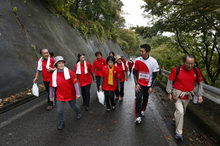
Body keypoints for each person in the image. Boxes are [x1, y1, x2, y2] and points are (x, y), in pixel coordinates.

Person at [166, 54, 203, 140]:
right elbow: (170, 82)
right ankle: (179, 133)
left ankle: (175, 119)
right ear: (183, 62)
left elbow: (199, 83)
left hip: (188, 96)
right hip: (177, 94)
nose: (190, 66)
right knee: (181, 112)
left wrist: (200, 95)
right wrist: (169, 93)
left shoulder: (196, 71)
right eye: (188, 63)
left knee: (182, 111)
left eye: (192, 63)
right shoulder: (177, 70)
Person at [49, 56, 81, 130]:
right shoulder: (54, 74)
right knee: (59, 110)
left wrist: (78, 93)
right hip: (60, 95)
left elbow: (75, 82)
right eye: (59, 63)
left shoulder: (69, 72)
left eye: (62, 63)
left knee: (73, 106)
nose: (61, 65)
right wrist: (51, 96)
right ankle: (61, 122)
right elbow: (52, 86)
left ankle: (78, 112)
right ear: (56, 65)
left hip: (70, 93)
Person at [133, 44, 159, 124]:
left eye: (142, 51)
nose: (140, 52)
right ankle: (138, 116)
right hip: (139, 84)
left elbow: (155, 76)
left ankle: (143, 109)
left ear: (147, 52)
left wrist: (152, 87)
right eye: (140, 51)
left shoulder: (153, 61)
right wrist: (136, 84)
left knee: (145, 98)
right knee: (138, 98)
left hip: (148, 85)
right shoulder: (137, 60)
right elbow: (134, 73)